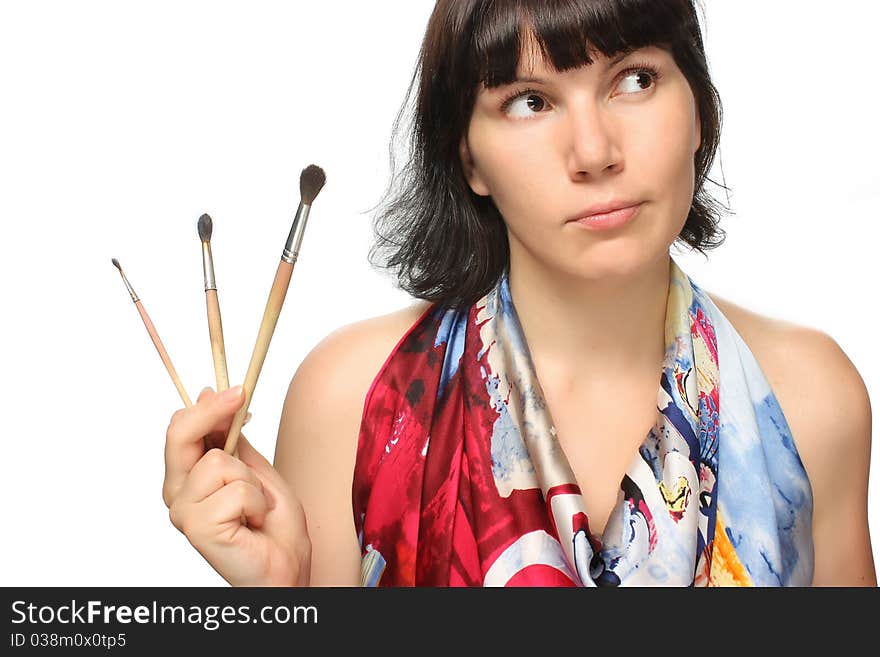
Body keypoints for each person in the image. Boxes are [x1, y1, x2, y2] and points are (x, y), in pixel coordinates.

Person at [162, 0, 876, 586]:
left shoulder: (809, 397)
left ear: (697, 108)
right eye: (531, 101)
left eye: (634, 79)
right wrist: (282, 600)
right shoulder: (358, 402)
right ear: (468, 157)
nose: (594, 152)